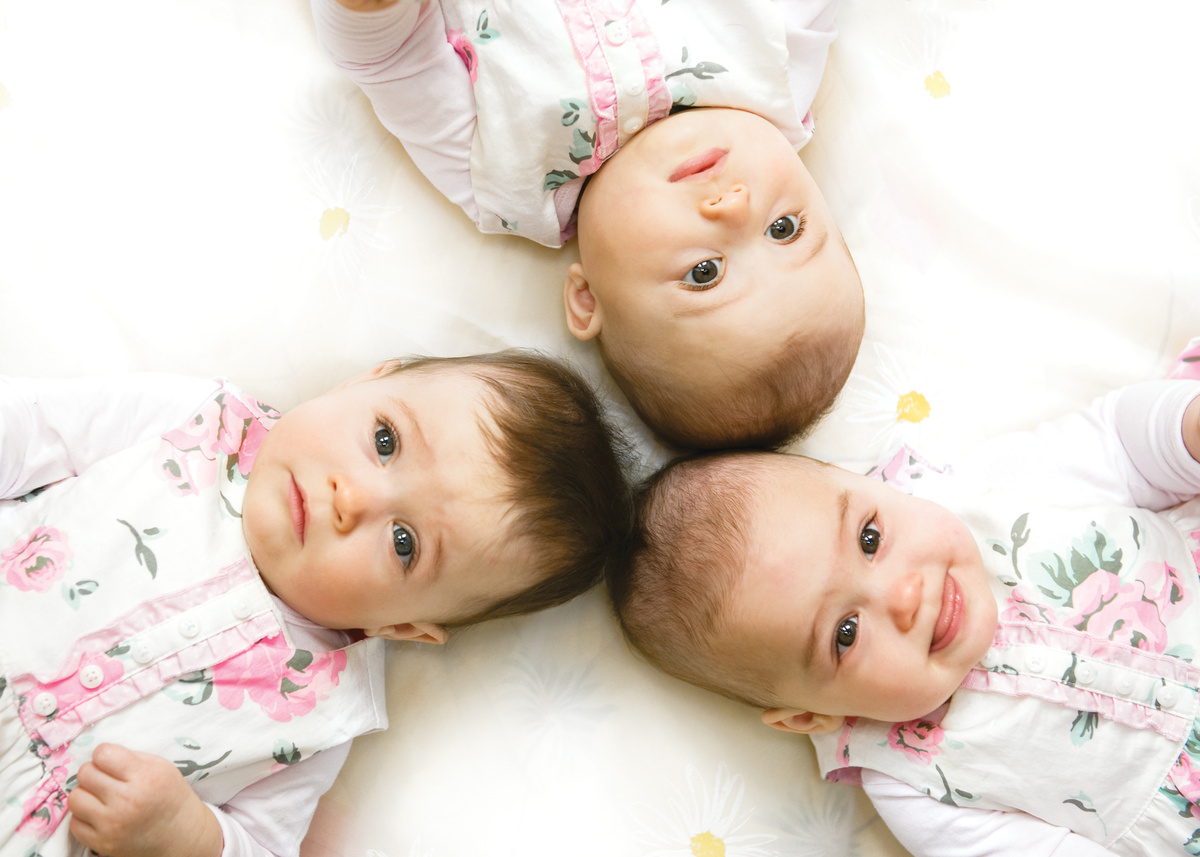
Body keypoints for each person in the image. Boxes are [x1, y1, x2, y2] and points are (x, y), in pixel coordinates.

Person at [0, 350, 632, 857]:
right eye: (385, 441)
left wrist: (186, 837)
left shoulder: (326, 714)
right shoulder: (202, 425)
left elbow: (265, 847)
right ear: (367, 378)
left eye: (404, 543)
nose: (351, 496)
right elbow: (30, 430)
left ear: (403, 625)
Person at [609, 340, 1200, 856]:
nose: (904, 594)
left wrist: (1185, 432)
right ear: (813, 716)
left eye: (870, 538)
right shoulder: (917, 789)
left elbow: (1118, 447)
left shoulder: (983, 490)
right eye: (845, 633)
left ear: (874, 486)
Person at [310, 0, 865, 450]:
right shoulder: (778, 73)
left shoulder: (506, 181)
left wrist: (370, 11)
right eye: (785, 228)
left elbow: (393, 60)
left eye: (704, 272)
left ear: (587, 299)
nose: (736, 206)